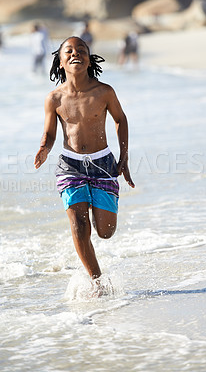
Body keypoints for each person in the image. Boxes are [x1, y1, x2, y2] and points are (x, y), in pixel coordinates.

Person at [34, 36, 134, 291]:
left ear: (89, 59)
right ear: (60, 61)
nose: (75, 53)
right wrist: (45, 148)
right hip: (70, 166)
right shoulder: (54, 98)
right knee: (78, 225)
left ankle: (93, 217)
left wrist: (123, 157)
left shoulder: (104, 92)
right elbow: (51, 133)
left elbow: (121, 120)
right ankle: (98, 282)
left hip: (103, 164)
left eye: (81, 50)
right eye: (69, 51)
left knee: (105, 232)